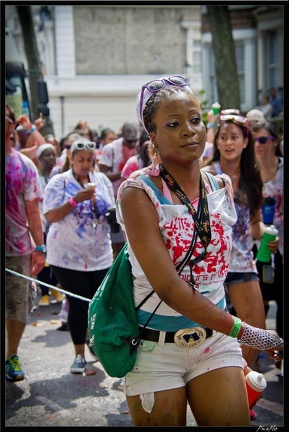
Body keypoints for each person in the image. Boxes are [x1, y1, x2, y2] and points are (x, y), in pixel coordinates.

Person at [114, 76, 283, 426]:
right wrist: (249, 331)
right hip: (154, 348)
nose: (190, 130)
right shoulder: (138, 193)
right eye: (173, 124)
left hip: (214, 343)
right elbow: (170, 287)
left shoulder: (221, 184)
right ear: (153, 136)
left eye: (194, 119)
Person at [202, 111, 274, 370]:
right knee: (207, 336)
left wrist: (268, 235)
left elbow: (254, 226)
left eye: (235, 137)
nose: (229, 143)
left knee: (257, 332)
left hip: (242, 264)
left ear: (246, 142)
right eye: (224, 137)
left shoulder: (253, 179)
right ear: (217, 143)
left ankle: (245, 393)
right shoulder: (204, 176)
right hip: (207, 268)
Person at [43, 137, 115, 374]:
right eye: (80, 159)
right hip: (67, 256)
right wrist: (75, 200)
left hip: (99, 254)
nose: (85, 164)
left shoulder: (102, 181)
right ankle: (79, 356)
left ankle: (94, 343)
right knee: (78, 303)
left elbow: (110, 211)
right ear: (71, 159)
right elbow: (51, 216)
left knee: (98, 304)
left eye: (89, 160)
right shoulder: (59, 183)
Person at [5, 103, 46, 381]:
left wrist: (39, 248)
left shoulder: (24, 165)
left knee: (17, 305)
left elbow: (33, 210)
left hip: (17, 249)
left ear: (10, 126)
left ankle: (12, 355)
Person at [251, 121, 283, 345]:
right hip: (255, 246)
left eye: (262, 140)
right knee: (257, 300)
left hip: (281, 247)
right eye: (254, 140)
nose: (257, 145)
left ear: (275, 141)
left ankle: (280, 352)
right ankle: (259, 348)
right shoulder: (248, 172)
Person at [98, 121, 139, 259]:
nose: (132, 144)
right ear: (122, 136)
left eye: (134, 141)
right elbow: (102, 175)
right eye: (129, 141)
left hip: (134, 199)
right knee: (118, 244)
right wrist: (125, 173)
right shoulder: (110, 149)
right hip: (115, 201)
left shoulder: (138, 146)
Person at [35, 143, 63, 307]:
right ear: (39, 158)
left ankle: (54, 287)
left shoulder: (59, 177)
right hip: (40, 224)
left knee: (56, 258)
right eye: (47, 155)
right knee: (43, 259)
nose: (51, 158)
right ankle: (44, 292)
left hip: (56, 224)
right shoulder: (36, 178)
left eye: (53, 154)